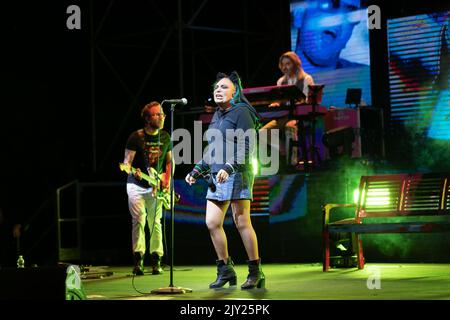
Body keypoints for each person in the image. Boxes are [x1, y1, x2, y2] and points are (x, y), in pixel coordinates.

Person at [185, 71, 265, 290]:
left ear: (235, 91)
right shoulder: (218, 115)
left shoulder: (242, 112)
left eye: (223, 87)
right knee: (212, 222)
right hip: (216, 174)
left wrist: (230, 168)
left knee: (241, 221)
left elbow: (246, 147)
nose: (218, 90)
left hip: (237, 171)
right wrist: (197, 170)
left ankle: (255, 271)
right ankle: (225, 269)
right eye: (216, 88)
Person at [122, 101, 172, 275]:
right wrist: (133, 171)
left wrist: (167, 178)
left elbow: (169, 162)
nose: (161, 117)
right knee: (139, 220)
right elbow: (126, 164)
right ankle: (139, 260)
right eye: (157, 114)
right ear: (147, 118)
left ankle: (157, 260)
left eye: (162, 114)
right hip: (136, 185)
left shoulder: (165, 137)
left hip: (156, 187)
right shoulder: (136, 137)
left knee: (155, 222)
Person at [260, 51, 314, 169]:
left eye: (288, 64)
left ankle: (292, 161)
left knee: (290, 127)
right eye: (283, 64)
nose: (285, 67)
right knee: (263, 133)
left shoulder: (306, 79)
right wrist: (275, 104)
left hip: (300, 117)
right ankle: (285, 150)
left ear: (295, 64)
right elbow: (279, 100)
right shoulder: (280, 81)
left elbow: (307, 100)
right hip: (283, 117)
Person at [293, 0, 366, 73]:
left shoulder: (365, 76)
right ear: (299, 15)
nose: (340, 19)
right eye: (327, 4)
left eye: (350, 12)